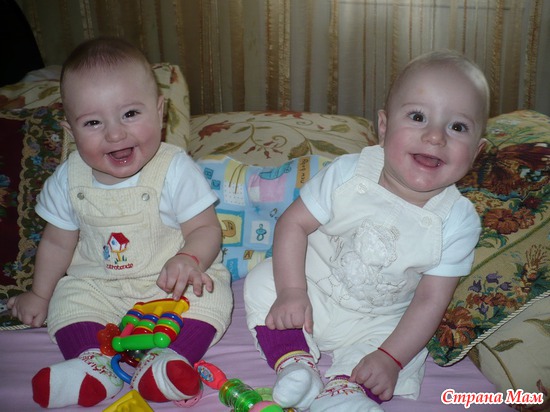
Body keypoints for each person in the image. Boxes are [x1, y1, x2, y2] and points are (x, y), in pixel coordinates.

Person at [244, 50, 489, 412]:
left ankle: (346, 391)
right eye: (418, 117)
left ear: (477, 151)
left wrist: (390, 356)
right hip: (313, 292)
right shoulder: (347, 174)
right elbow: (293, 223)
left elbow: (430, 300)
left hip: (378, 321)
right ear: (384, 126)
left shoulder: (458, 220)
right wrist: (292, 292)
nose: (435, 136)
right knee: (261, 281)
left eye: (458, 127)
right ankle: (295, 364)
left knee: (412, 348)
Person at [7, 37, 233, 408]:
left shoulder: (174, 168)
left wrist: (189, 259)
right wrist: (41, 295)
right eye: (93, 122)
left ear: (160, 111)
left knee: (210, 295)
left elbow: (205, 229)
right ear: (71, 131)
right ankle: (93, 365)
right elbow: (57, 242)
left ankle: (167, 363)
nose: (114, 133)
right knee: (68, 300)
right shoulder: (67, 180)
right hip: (99, 285)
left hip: (170, 284)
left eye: (130, 114)